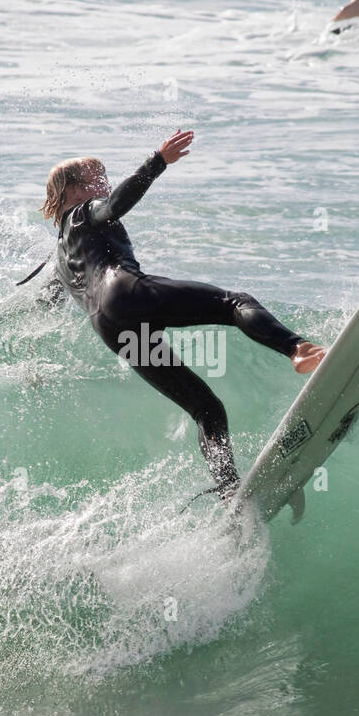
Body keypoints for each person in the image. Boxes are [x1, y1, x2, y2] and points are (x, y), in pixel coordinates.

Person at [35, 130, 326, 498]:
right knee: (234, 302)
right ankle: (298, 349)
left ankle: (228, 488)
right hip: (124, 293)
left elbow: (46, 304)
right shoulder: (85, 211)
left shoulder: (60, 255)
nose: (105, 184)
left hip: (112, 330)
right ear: (72, 191)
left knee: (206, 409)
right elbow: (113, 207)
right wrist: (158, 162)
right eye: (97, 178)